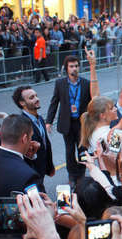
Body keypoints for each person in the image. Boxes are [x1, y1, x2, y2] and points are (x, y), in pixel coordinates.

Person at [46, 55, 91, 188]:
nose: (75, 68)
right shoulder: (60, 83)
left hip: (81, 123)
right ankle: (72, 175)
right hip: (67, 123)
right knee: (69, 150)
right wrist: (49, 121)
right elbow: (54, 103)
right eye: (71, 66)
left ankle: (82, 174)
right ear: (66, 69)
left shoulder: (86, 83)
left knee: (82, 150)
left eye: (76, 66)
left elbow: (91, 103)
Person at [0, 114, 42, 196]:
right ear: (24, 139)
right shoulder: (28, 175)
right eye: (31, 136)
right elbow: (39, 201)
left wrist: (29, 158)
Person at [12, 86, 54, 191]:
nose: (37, 99)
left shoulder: (39, 118)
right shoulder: (20, 123)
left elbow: (45, 143)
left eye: (36, 96)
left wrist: (49, 166)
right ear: (22, 103)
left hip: (42, 168)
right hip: (31, 172)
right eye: (32, 97)